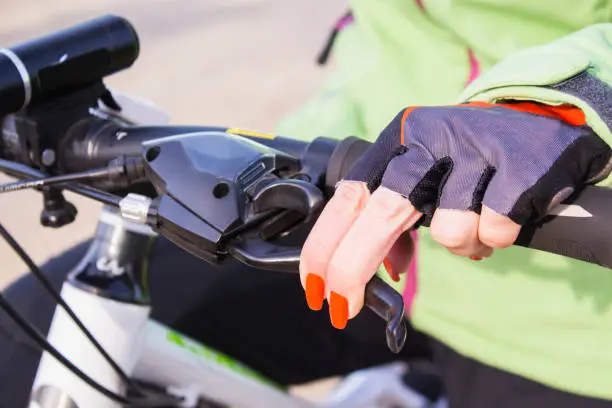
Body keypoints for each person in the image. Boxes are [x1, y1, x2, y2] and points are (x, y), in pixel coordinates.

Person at [1, 2, 612, 408]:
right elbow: (405, 34)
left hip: (567, 317)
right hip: (364, 203)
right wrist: (279, 161)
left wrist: (557, 102)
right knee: (20, 343)